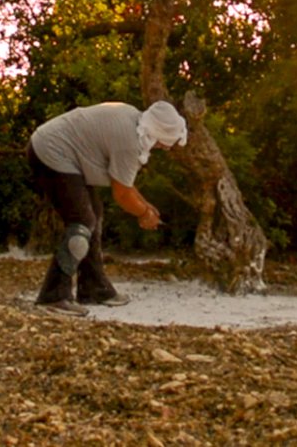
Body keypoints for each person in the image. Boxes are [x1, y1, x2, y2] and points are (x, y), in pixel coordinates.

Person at [27, 100, 188, 317]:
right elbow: (122, 194)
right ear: (161, 133)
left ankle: (94, 288)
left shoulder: (135, 121)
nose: (165, 148)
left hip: (60, 150)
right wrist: (144, 214)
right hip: (52, 151)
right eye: (166, 143)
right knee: (83, 222)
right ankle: (54, 296)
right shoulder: (130, 143)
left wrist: (145, 204)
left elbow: (125, 183)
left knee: (94, 213)